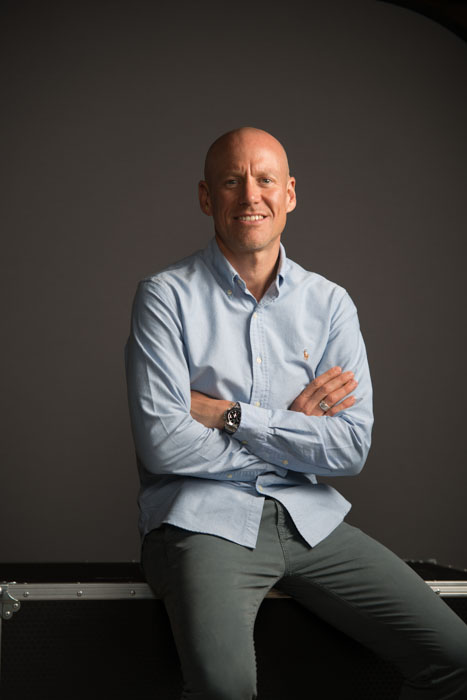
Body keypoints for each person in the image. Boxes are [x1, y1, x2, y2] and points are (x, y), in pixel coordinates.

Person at [125, 127, 467, 699]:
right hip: (203, 523)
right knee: (224, 689)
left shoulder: (330, 304)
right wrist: (294, 435)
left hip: (309, 521)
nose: (250, 195)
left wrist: (233, 415)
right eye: (231, 182)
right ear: (207, 197)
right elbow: (164, 444)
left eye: (265, 180)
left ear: (288, 194)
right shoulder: (165, 297)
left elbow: (350, 448)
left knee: (457, 659)